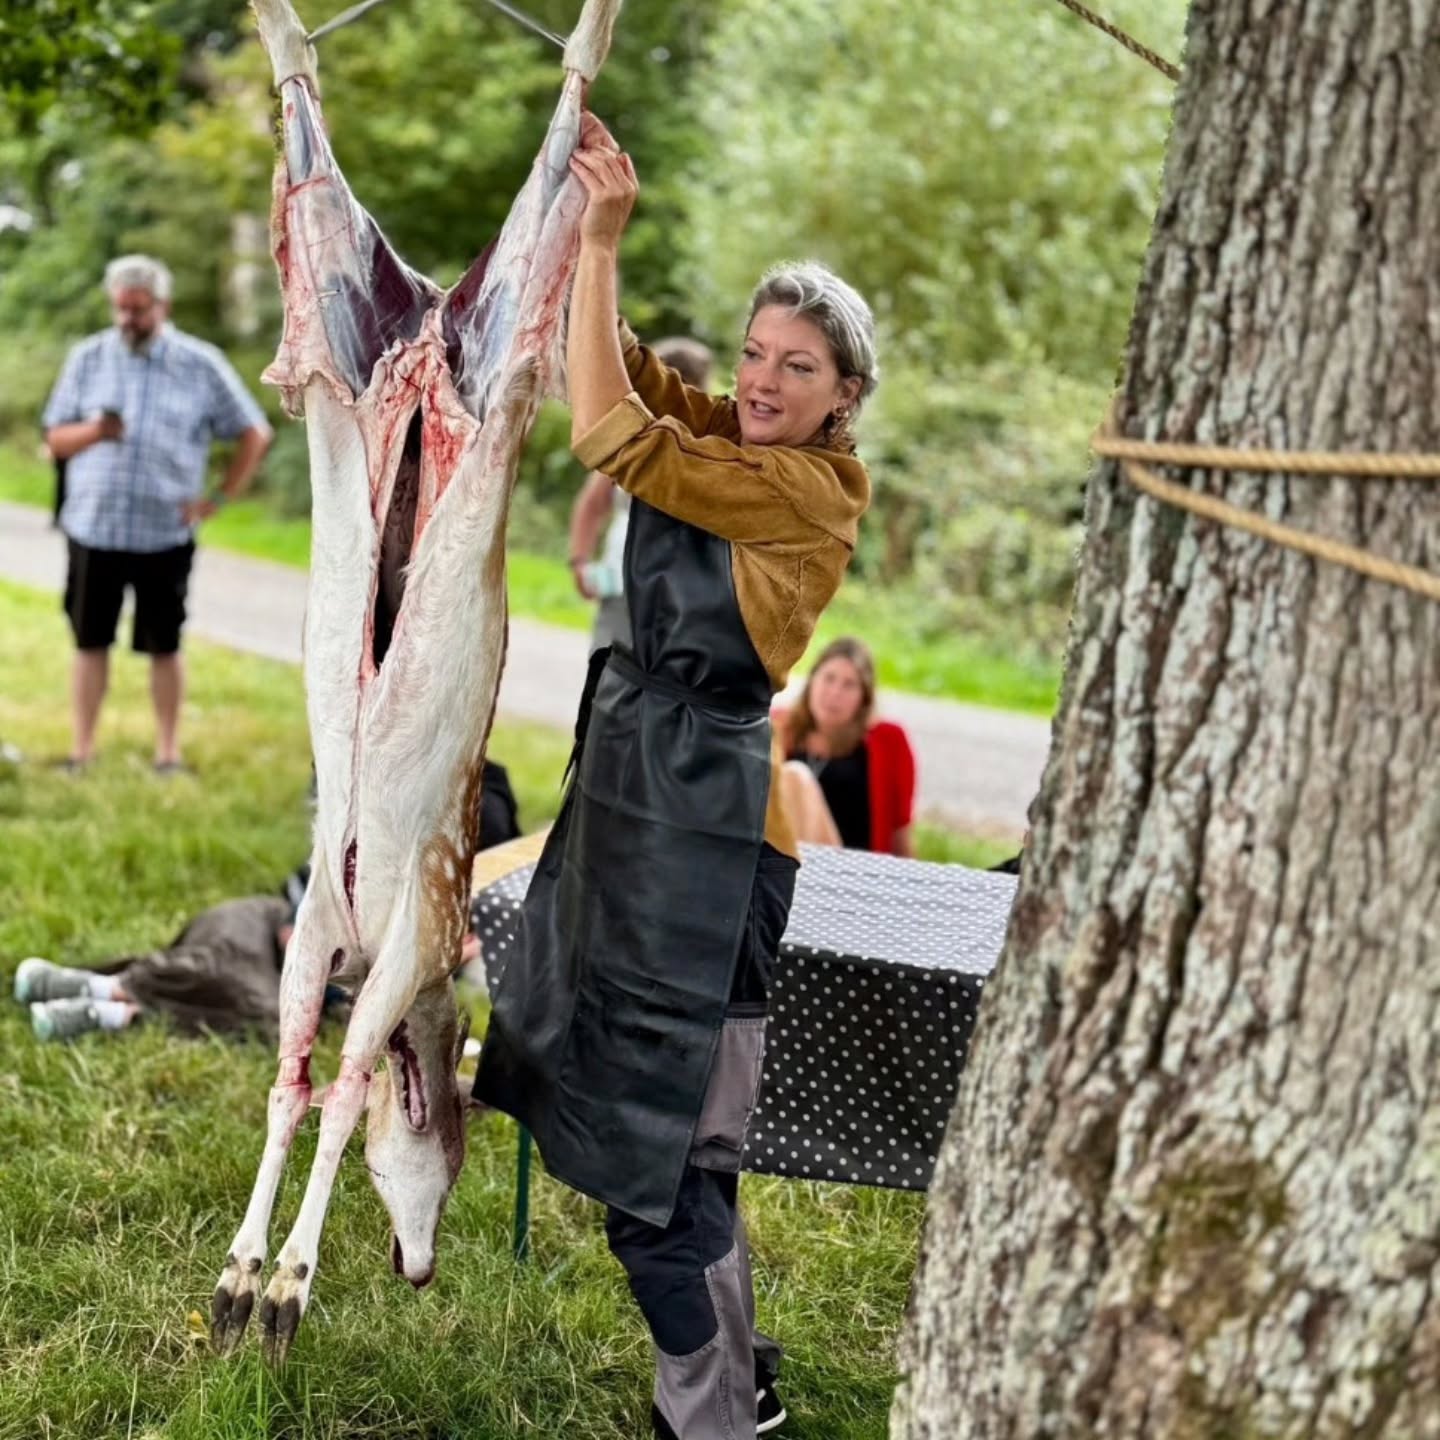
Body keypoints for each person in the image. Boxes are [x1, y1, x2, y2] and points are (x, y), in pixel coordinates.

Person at [474, 112, 877, 1440]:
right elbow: (635, 381)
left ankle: (707, 1423)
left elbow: (610, 435)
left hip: (712, 839)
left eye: (796, 365)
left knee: (659, 1178)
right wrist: (561, 236)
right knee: (680, 1156)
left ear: (841, 395)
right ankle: (735, 1385)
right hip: (648, 801)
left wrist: (601, 241)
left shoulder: (811, 492)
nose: (762, 380)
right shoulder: (743, 442)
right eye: (756, 352)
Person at [16, 759, 522, 1041]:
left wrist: (440, 961)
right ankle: (106, 986)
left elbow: (391, 1008)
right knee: (212, 958)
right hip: (270, 930)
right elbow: (297, 913)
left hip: (305, 988)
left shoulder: (462, 925)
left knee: (259, 1011)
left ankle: (108, 1007)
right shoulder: (362, 850)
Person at [41, 254, 274, 774]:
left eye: (139, 311)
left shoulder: (200, 363)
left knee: (164, 644)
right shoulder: (88, 358)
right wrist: (96, 430)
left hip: (164, 534)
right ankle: (82, 752)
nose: (128, 320)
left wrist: (219, 497)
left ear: (162, 307)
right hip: (93, 527)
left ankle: (167, 754)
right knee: (88, 640)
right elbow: (55, 439)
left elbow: (254, 432)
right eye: (121, 309)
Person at [567, 336, 714, 652]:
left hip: (677, 599)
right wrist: (579, 560)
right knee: (605, 674)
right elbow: (593, 504)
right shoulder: (632, 439)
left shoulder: (709, 449)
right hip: (621, 586)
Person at [777, 637, 918, 857]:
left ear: (864, 698)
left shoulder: (889, 741)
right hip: (784, 860)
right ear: (812, 680)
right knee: (792, 778)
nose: (835, 693)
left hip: (851, 868)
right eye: (829, 678)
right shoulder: (778, 727)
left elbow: (901, 832)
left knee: (795, 775)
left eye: (849, 685)